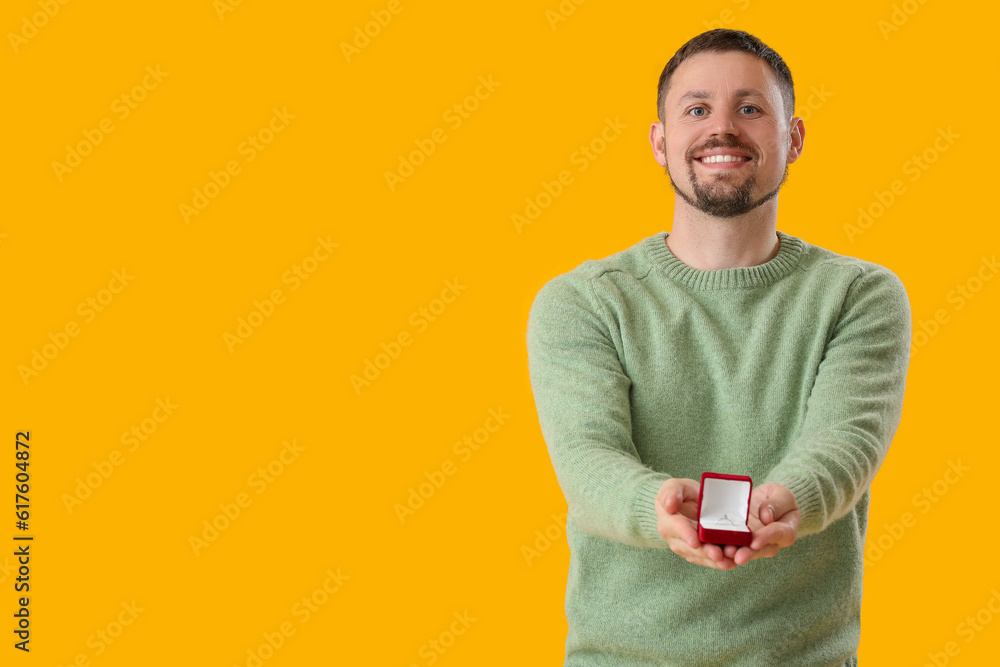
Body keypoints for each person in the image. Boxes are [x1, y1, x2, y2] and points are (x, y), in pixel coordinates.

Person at [525, 28, 911, 666]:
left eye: (751, 108)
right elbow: (587, 462)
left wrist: (790, 498)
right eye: (697, 109)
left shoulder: (859, 295)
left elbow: (847, 442)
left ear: (794, 139)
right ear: (660, 141)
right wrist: (661, 508)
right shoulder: (583, 300)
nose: (722, 129)